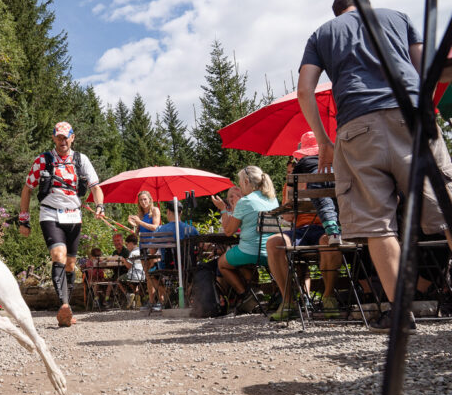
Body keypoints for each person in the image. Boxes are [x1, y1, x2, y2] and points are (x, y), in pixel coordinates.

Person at [297, 0, 452, 333]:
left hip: (357, 127)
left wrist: (323, 141)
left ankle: (400, 315)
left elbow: (305, 90)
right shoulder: (398, 17)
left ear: (337, 12)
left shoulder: (323, 34)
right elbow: (428, 71)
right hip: (412, 118)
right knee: (445, 210)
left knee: (378, 225)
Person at [19, 122, 104, 327]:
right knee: (58, 255)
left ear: (72, 138)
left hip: (73, 216)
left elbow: (95, 187)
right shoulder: (43, 160)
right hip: (50, 213)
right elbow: (27, 189)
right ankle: (64, 305)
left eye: (65, 137)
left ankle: (67, 308)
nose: (62, 141)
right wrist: (24, 219)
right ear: (53, 138)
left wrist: (100, 206)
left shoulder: (81, 160)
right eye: (59, 137)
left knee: (70, 264)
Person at [265, 135, 343, 322]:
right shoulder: (292, 182)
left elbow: (287, 215)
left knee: (329, 240)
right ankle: (288, 302)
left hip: (326, 229)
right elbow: (288, 217)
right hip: (303, 230)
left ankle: (329, 297)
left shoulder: (335, 176)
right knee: (274, 242)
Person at [211, 166, 279, 314]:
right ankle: (261, 293)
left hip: (250, 251)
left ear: (247, 181)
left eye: (240, 182)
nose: (240, 186)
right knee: (242, 263)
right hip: (272, 252)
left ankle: (246, 295)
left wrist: (223, 209)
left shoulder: (245, 201)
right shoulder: (272, 199)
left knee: (222, 263)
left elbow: (229, 231)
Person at [145, 201, 198, 311]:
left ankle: (169, 297)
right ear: (181, 213)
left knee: (150, 273)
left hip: (168, 267)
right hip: (188, 266)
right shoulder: (191, 229)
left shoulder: (161, 229)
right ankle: (186, 295)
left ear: (168, 212)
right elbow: (201, 246)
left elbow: (152, 251)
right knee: (193, 272)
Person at [127, 191, 161, 310]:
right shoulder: (140, 215)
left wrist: (139, 222)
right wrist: (134, 226)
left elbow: (155, 227)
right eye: (141, 200)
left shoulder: (155, 211)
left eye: (145, 199)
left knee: (154, 274)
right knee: (147, 275)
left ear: (150, 199)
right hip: (143, 246)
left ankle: (161, 300)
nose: (143, 202)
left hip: (154, 246)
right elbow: (137, 234)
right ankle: (151, 302)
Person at [119, 234, 145, 308]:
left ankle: (128, 295)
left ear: (130, 243)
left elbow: (128, 266)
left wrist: (123, 260)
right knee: (135, 284)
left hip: (134, 275)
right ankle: (137, 300)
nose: (126, 247)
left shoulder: (132, 253)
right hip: (143, 275)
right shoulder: (140, 251)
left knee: (118, 280)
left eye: (127, 244)